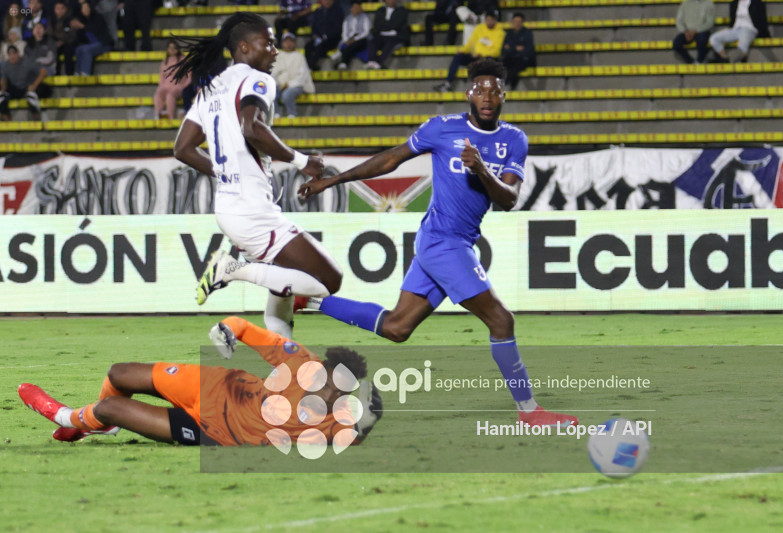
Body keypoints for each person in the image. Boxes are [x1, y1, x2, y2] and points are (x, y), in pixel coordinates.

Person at [299, 58, 578, 429]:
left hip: (451, 242)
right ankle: (530, 412)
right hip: (442, 243)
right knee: (501, 320)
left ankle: (310, 300)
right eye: (480, 89)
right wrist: (330, 181)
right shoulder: (441, 129)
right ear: (468, 94)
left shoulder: (513, 140)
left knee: (397, 327)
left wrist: (481, 169)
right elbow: (391, 159)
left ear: (504, 97)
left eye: (494, 90)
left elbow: (508, 198)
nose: (487, 96)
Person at [171, 13, 343, 339]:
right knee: (328, 281)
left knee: (282, 290)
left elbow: (183, 148)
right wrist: (301, 160)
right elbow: (252, 127)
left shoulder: (210, 88)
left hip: (230, 207)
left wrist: (224, 174)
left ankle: (286, 367)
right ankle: (232, 269)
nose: (275, 51)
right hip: (251, 211)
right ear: (245, 47)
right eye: (269, 43)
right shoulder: (256, 79)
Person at [18, 317, 383, 446]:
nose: (330, 395)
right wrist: (226, 330)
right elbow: (243, 327)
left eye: (340, 394)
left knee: (112, 407)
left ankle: (65, 417)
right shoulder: (299, 358)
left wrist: (367, 415)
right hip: (216, 386)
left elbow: (358, 432)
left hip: (214, 428)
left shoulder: (334, 423)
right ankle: (95, 428)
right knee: (119, 373)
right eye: (328, 384)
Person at [433, 9, 503, 92]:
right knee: (458, 57)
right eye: (487, 20)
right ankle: (447, 84)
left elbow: (496, 51)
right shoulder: (479, 28)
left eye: (491, 20)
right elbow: (471, 43)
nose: (489, 22)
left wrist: (481, 54)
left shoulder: (500, 33)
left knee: (487, 60)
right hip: (476, 57)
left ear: (495, 21)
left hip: (488, 59)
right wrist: (463, 50)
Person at [0, 44, 51, 121]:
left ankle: (37, 115)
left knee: (38, 91)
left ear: (18, 54)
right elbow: (3, 79)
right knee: (2, 95)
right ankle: (6, 117)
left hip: (30, 88)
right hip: (17, 89)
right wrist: (3, 89)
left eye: (14, 53)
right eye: (9, 54)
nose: (12, 56)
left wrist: (34, 85)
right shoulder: (6, 65)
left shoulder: (27, 62)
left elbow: (44, 72)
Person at [271, 32, 314, 118]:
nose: (288, 44)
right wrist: (278, 83)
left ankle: (292, 113)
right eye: (286, 41)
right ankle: (276, 113)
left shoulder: (299, 56)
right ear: (282, 43)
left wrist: (289, 84)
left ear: (294, 43)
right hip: (280, 84)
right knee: (271, 92)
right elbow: (273, 72)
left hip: (296, 85)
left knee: (287, 94)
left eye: (291, 41)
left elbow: (302, 75)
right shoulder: (277, 56)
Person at [70, 0, 113, 76]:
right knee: (79, 49)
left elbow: (96, 30)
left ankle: (85, 72)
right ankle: (77, 72)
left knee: (86, 49)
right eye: (84, 9)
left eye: (87, 8)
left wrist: (83, 26)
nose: (86, 10)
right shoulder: (82, 19)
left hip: (103, 43)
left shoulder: (98, 17)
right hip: (90, 44)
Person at [365, 0, 409, 70]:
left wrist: (385, 25)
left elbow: (397, 25)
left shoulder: (402, 11)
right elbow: (377, 25)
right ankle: (371, 61)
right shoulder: (380, 10)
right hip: (381, 35)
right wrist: (389, 25)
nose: (391, 1)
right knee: (372, 41)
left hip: (395, 35)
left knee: (390, 43)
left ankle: (379, 62)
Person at [153, 38, 190, 119]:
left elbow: (189, 76)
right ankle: (158, 115)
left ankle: (170, 116)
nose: (172, 50)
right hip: (166, 85)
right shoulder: (165, 61)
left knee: (170, 95)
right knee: (158, 95)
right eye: (170, 48)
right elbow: (162, 77)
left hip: (178, 86)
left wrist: (184, 86)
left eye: (174, 47)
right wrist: (161, 86)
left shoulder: (183, 60)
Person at [330, 0, 371, 70]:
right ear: (351, 8)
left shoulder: (365, 18)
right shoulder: (347, 19)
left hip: (360, 39)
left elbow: (366, 32)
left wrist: (354, 39)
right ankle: (342, 60)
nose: (356, 9)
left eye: (358, 7)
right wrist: (347, 40)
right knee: (345, 45)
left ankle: (343, 61)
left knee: (354, 45)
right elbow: (344, 32)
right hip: (349, 39)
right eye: (354, 7)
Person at [303, 0, 343, 71]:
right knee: (308, 46)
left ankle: (310, 66)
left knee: (321, 46)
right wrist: (316, 36)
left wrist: (326, 36)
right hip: (319, 38)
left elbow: (338, 28)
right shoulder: (317, 11)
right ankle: (308, 66)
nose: (327, 2)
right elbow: (314, 27)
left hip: (332, 39)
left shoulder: (338, 11)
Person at [672, 0, 714, 64]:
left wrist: (696, 31)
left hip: (701, 31)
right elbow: (679, 21)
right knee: (676, 43)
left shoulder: (709, 3)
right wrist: (685, 31)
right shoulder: (685, 3)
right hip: (687, 32)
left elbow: (709, 22)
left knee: (702, 40)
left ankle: (700, 60)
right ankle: (690, 61)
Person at [500, 12, 535, 90]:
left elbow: (528, 51)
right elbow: (503, 50)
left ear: (523, 22)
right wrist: (516, 48)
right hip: (511, 58)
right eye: (515, 21)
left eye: (519, 22)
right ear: (512, 22)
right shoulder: (509, 34)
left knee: (514, 68)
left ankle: (508, 86)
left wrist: (511, 48)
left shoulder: (527, 33)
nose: (517, 24)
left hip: (522, 59)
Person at [48, 0, 76, 75]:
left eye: (62, 8)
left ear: (66, 9)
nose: (59, 11)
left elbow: (73, 35)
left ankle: (69, 74)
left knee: (68, 51)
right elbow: (49, 34)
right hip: (56, 43)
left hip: (68, 43)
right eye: (57, 8)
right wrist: (54, 42)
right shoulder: (52, 20)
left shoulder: (71, 19)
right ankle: (55, 73)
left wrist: (63, 42)